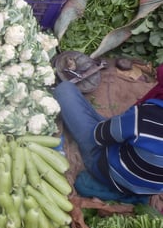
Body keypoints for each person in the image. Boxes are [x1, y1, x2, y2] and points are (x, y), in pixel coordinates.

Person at [53, 64, 163, 202]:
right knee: (128, 132)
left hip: (111, 170)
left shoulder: (148, 115)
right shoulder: (146, 119)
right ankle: (135, 194)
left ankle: (109, 186)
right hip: (149, 188)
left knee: (64, 91)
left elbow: (98, 136)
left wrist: (121, 126)